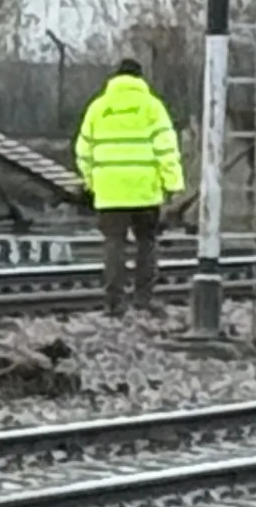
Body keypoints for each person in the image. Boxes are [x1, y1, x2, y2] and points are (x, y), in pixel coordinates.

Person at [72, 56, 187, 316]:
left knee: (114, 244)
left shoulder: (98, 107)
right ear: (140, 79)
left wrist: (92, 181)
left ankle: (115, 304)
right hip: (145, 191)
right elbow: (166, 147)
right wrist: (173, 184)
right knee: (146, 242)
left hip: (110, 192)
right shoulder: (152, 107)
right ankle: (143, 299)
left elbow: (83, 150)